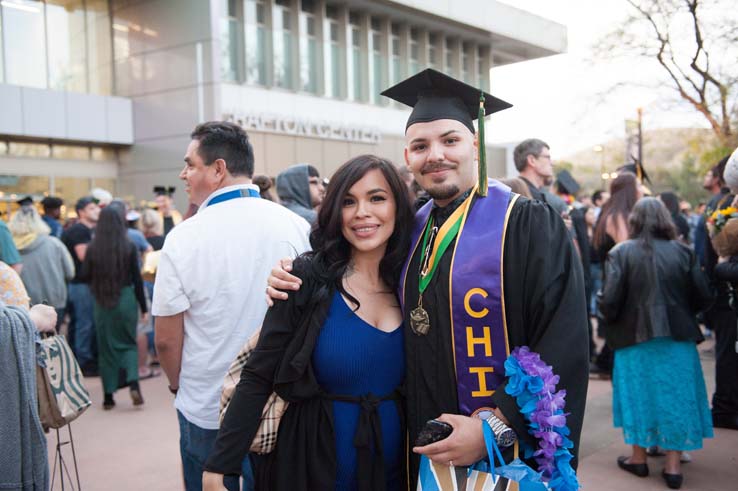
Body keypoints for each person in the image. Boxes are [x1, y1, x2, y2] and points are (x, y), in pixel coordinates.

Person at [267, 69, 589, 486]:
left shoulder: (525, 225)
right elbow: (345, 263)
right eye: (421, 145)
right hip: (415, 446)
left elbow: (561, 340)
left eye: (450, 140)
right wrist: (293, 274)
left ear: (475, 145)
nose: (435, 154)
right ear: (408, 157)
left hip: (497, 449)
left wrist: (496, 425)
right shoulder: (408, 229)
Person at [203, 155, 413, 491]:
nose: (362, 212)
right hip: (314, 467)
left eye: (377, 198)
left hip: (398, 470)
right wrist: (220, 464)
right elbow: (259, 374)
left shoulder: (414, 281)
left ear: (398, 207)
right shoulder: (306, 279)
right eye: (348, 201)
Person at [152, 121, 311, 491]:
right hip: (280, 405)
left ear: (218, 169)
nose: (183, 174)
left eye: (190, 164)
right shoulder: (294, 225)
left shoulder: (183, 237)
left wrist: (179, 386)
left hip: (207, 407)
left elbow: (166, 340)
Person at [598, 198, 714, 489]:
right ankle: (673, 466)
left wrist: (607, 311)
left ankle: (638, 458)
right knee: (676, 395)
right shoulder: (684, 252)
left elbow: (609, 302)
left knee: (637, 393)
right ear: (666, 220)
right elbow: (702, 296)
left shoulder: (620, 253)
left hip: (632, 338)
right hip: (677, 338)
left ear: (635, 221)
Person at [80, 206, 148, 409]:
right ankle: (134, 383)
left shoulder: (93, 247)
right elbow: (137, 279)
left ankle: (108, 396)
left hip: (102, 300)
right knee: (128, 343)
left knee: (106, 348)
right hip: (126, 298)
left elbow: (84, 275)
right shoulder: (128, 246)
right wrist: (143, 308)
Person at [8, 200, 74, 331]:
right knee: (51, 345)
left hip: (23, 306)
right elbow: (70, 273)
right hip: (54, 302)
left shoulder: (8, 248)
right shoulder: (54, 243)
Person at [62, 196, 100, 376]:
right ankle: (83, 361)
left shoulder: (87, 230)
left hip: (83, 284)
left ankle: (80, 358)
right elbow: (84, 256)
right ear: (81, 211)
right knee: (84, 323)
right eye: (92, 208)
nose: (97, 211)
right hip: (80, 284)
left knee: (81, 323)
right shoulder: (79, 230)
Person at [513, 138, 553, 203]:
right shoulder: (527, 198)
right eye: (547, 157)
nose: (552, 163)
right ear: (532, 160)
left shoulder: (513, 192)